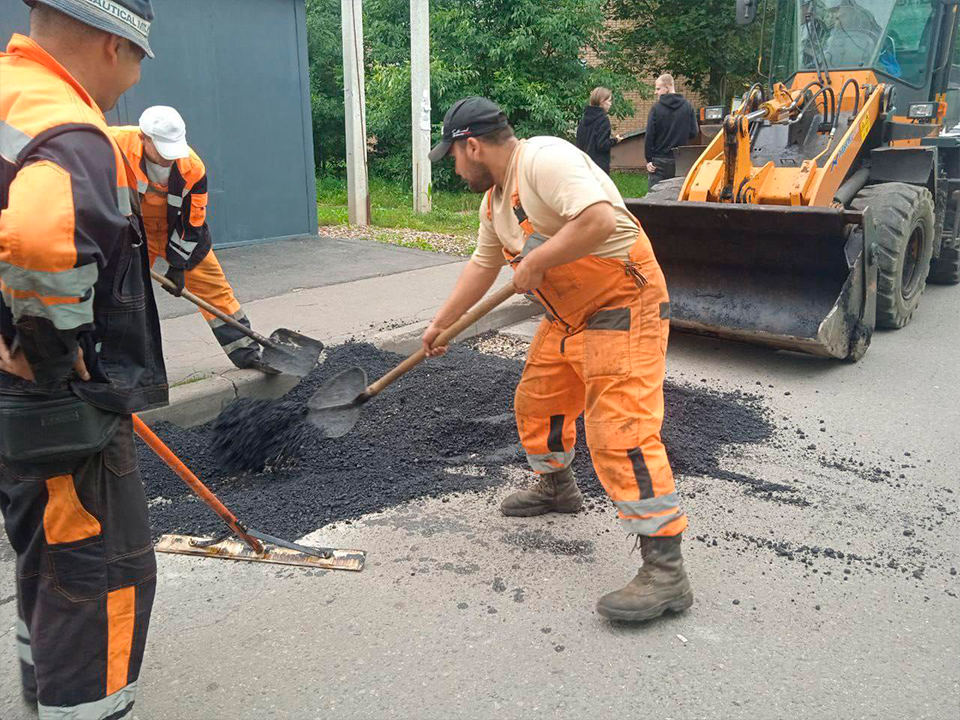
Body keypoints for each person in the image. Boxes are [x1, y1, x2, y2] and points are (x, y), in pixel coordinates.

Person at [424, 97, 692, 622]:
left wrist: (539, 258)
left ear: (471, 145)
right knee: (538, 400)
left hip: (621, 303)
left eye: (452, 157)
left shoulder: (544, 158)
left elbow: (597, 219)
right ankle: (557, 487)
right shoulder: (495, 201)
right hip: (567, 314)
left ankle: (666, 573)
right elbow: (482, 266)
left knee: (620, 430)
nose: (454, 169)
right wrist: (443, 324)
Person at [0, 1, 167, 717]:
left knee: (46, 567)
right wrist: (43, 350)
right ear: (111, 44)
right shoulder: (72, 132)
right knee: (98, 578)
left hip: (17, 418)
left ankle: (43, 694)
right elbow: (40, 242)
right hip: (55, 415)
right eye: (136, 62)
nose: (129, 83)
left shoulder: (11, 95)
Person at [110, 108, 265, 371]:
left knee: (215, 289)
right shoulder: (113, 143)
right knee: (121, 294)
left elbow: (193, 221)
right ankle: (118, 365)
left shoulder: (192, 166)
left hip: (177, 231)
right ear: (144, 137)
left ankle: (247, 352)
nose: (169, 158)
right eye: (162, 150)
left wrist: (178, 265)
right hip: (133, 232)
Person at [644, 74, 699, 189]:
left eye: (658, 89)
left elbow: (649, 135)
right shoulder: (687, 106)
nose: (656, 92)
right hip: (680, 160)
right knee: (676, 196)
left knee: (655, 200)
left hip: (659, 160)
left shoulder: (656, 108)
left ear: (667, 87)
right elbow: (694, 132)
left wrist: (649, 159)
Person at [575, 87, 622, 175]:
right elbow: (602, 145)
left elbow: (579, 142)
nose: (611, 104)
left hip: (584, 164)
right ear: (601, 101)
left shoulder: (583, 118)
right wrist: (615, 140)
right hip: (598, 167)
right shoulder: (603, 119)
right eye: (609, 101)